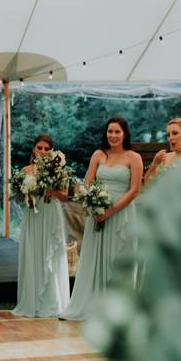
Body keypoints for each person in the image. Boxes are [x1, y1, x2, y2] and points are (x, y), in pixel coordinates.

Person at [60, 117, 142, 321]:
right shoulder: (98, 154)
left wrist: (111, 211)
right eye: (110, 132)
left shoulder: (133, 157)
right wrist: (92, 205)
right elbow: (87, 182)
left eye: (117, 132)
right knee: (93, 258)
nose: (113, 136)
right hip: (96, 214)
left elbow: (134, 190)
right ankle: (88, 305)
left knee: (117, 259)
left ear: (125, 134)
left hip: (121, 214)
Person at [12, 134, 70, 318]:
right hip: (33, 215)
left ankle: (52, 303)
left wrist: (52, 191)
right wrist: (26, 195)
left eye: (47, 149)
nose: (43, 152)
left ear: (51, 151)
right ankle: (33, 302)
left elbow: (65, 196)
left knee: (50, 255)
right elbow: (19, 197)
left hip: (51, 214)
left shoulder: (59, 170)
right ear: (34, 149)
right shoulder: (25, 170)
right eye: (40, 148)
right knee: (34, 252)